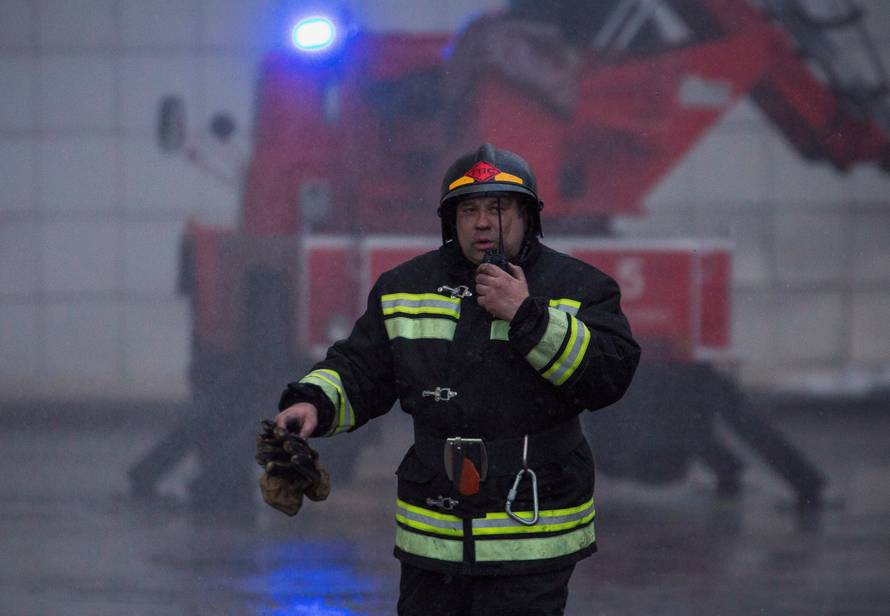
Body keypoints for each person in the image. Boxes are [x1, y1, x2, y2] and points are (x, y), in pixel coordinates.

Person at [273, 143, 641, 615]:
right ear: (452, 221)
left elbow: (608, 377)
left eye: (498, 207)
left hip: (530, 528)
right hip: (434, 532)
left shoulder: (580, 287)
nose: (483, 222)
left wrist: (527, 316)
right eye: (469, 210)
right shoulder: (404, 287)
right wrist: (314, 404)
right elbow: (362, 369)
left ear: (527, 214)